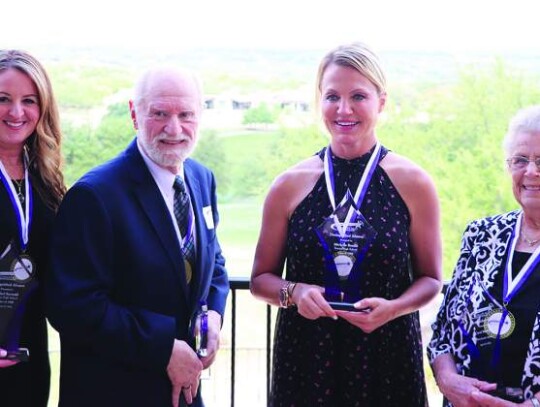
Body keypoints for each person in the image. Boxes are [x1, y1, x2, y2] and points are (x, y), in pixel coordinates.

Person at [250, 42, 442, 406]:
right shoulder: (289, 185)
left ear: (381, 102)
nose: (344, 109)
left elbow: (431, 280)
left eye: (358, 96)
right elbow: (261, 280)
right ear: (318, 100)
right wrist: (295, 293)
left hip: (387, 355)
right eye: (332, 96)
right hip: (307, 360)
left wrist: (394, 308)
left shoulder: (414, 183)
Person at [46, 67, 229, 407]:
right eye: (159, 114)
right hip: (115, 391)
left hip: (185, 393)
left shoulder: (202, 179)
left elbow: (213, 261)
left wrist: (214, 316)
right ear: (135, 113)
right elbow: (73, 307)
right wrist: (163, 349)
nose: (174, 128)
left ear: (200, 114)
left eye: (185, 114)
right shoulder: (95, 196)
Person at [428, 105, 540, 407]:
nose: (531, 172)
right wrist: (447, 380)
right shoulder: (481, 234)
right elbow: (442, 332)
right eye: (520, 160)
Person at [0, 50, 66, 406]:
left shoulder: (45, 177)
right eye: (3, 99)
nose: (16, 112)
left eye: (29, 100)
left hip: (30, 353)